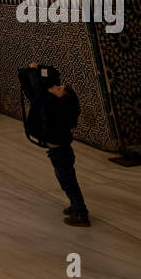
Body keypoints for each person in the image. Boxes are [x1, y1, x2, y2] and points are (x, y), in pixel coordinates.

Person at [19, 62, 90, 226]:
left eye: (58, 89)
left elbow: (38, 93)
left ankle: (81, 213)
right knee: (67, 181)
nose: (55, 87)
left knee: (68, 182)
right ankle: (76, 205)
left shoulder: (52, 107)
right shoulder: (57, 108)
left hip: (61, 153)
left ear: (60, 99)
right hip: (61, 152)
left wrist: (34, 73)